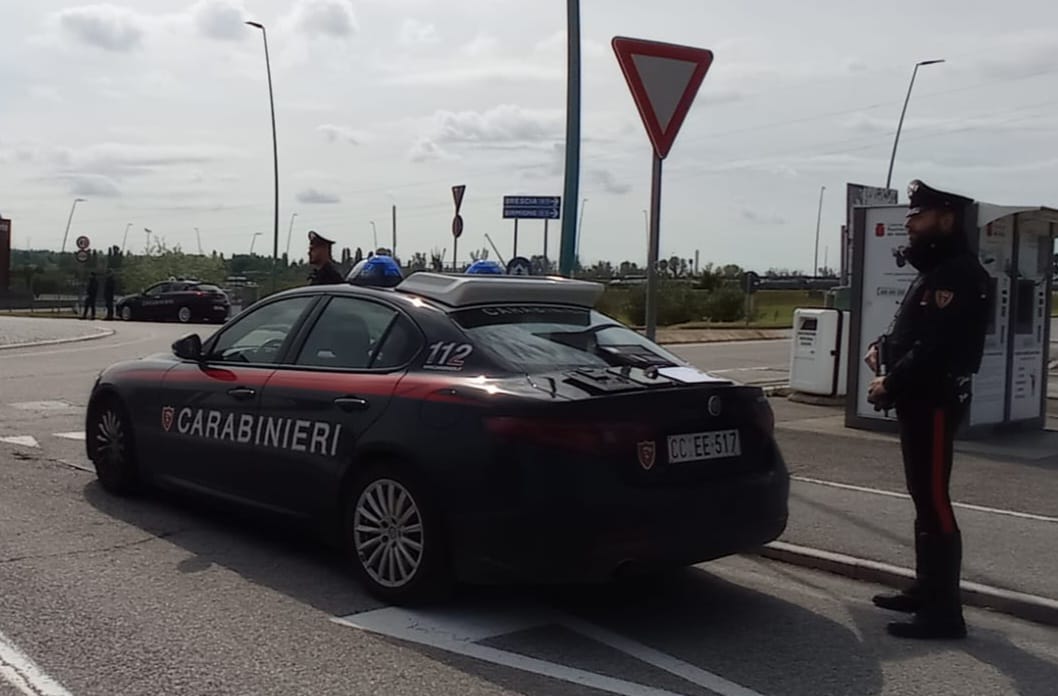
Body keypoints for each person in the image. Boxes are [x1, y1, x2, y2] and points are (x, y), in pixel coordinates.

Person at [864, 179, 990, 640]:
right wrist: (882, 350)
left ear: (947, 218)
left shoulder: (958, 274)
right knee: (923, 496)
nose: (910, 220)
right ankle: (925, 588)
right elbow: (911, 331)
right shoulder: (935, 270)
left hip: (934, 402)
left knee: (935, 500)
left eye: (920, 213)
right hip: (918, 399)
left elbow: (938, 346)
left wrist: (891, 382)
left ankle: (944, 612)